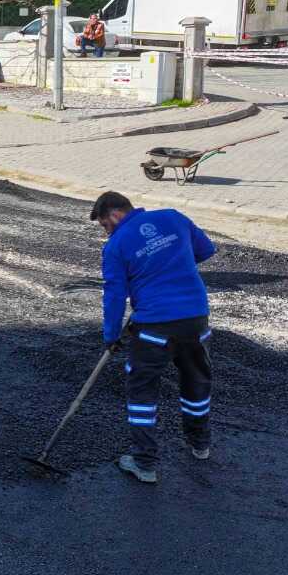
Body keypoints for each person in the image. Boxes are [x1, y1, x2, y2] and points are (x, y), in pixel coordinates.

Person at [92, 191, 217, 485]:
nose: (105, 231)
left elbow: (114, 295)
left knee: (142, 392)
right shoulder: (173, 217)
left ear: (114, 215)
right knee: (196, 381)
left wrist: (111, 336)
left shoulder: (116, 246)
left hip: (153, 329)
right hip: (195, 320)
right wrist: (174, 264)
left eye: (104, 225)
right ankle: (200, 444)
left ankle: (144, 463)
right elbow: (206, 249)